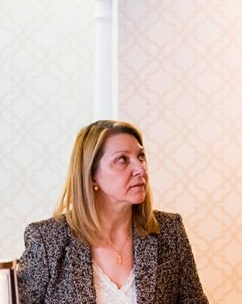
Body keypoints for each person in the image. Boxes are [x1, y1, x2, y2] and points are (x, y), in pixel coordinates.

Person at [17, 120, 209, 303]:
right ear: (91, 175)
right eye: (122, 160)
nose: (140, 169)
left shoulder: (169, 231)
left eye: (141, 157)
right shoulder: (47, 241)